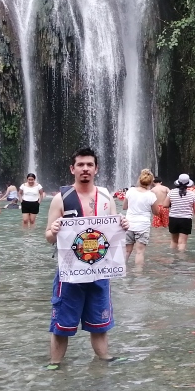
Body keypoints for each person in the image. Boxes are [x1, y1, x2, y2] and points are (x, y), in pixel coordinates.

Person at [44, 147, 128, 369]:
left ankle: (105, 361)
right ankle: (54, 364)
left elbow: (112, 232)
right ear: (72, 169)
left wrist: (123, 225)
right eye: (80, 165)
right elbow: (49, 238)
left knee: (100, 323)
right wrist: (53, 230)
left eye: (89, 165)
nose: (85, 169)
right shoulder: (61, 198)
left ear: (96, 168)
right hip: (70, 272)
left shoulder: (106, 196)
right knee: (62, 323)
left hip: (100, 270)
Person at [124, 168, 161, 267]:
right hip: (143, 226)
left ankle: (121, 271)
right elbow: (156, 212)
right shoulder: (151, 196)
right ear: (151, 182)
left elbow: (124, 207)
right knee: (139, 252)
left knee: (127, 251)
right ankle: (138, 275)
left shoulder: (130, 191)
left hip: (128, 224)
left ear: (139, 179)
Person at [167, 174, 195, 250]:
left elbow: (165, 204)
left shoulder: (171, 192)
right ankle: (181, 260)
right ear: (188, 183)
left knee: (173, 241)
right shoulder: (192, 194)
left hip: (173, 218)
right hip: (186, 219)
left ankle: (173, 258)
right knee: (182, 242)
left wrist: (175, 204)